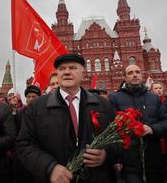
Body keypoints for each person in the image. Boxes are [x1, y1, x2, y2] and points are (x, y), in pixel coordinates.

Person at [17, 54, 119, 183]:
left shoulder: (103, 105)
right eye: (61, 69)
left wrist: (106, 155)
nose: (66, 72)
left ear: (83, 72)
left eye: (72, 68)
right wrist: (49, 167)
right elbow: (24, 145)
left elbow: (118, 140)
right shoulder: (38, 106)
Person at [109, 65, 167, 183]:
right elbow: (111, 128)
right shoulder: (115, 98)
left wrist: (152, 129)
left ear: (142, 76)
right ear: (125, 78)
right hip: (128, 161)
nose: (135, 75)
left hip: (153, 159)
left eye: (137, 72)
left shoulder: (154, 98)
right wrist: (116, 159)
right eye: (130, 73)